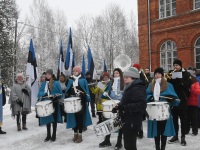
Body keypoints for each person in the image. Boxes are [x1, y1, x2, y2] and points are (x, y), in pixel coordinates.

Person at [112, 67, 146, 150]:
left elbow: (141, 105)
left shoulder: (137, 88)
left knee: (130, 146)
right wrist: (118, 107)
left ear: (133, 78)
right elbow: (125, 101)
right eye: (124, 77)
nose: (124, 79)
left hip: (132, 121)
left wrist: (124, 107)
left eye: (126, 77)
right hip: (128, 120)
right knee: (128, 145)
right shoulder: (129, 87)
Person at [146, 67, 179, 150]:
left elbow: (174, 98)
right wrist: (150, 98)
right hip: (154, 111)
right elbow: (146, 95)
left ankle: (163, 147)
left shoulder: (168, 85)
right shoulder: (151, 85)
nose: (157, 76)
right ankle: (157, 147)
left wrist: (170, 98)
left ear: (162, 75)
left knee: (163, 130)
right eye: (155, 74)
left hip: (164, 111)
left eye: (159, 74)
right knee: (156, 131)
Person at [167, 59, 192, 146]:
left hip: (182, 99)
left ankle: (183, 136)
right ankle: (175, 136)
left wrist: (180, 80)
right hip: (173, 99)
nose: (175, 67)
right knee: (174, 119)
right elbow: (168, 84)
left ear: (181, 66)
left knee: (183, 119)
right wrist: (169, 79)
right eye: (174, 65)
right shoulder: (171, 73)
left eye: (177, 65)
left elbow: (188, 85)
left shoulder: (186, 74)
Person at [65, 66, 92, 143]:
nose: (74, 72)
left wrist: (83, 95)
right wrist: (67, 95)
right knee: (74, 119)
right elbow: (68, 91)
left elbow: (86, 91)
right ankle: (75, 134)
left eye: (76, 71)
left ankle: (80, 135)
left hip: (81, 102)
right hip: (72, 103)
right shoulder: (70, 81)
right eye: (73, 71)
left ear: (79, 72)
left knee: (80, 119)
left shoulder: (83, 81)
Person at [38, 69, 63, 142]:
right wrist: (43, 94)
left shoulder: (56, 83)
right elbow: (39, 93)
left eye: (48, 74)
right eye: (46, 74)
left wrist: (55, 96)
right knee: (47, 119)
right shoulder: (43, 84)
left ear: (51, 75)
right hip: (46, 103)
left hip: (54, 103)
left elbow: (60, 93)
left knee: (54, 119)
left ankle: (54, 134)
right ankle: (48, 134)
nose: (47, 75)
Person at [110, 68, 124, 150]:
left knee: (119, 123)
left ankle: (119, 141)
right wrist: (100, 84)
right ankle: (107, 139)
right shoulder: (111, 82)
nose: (115, 74)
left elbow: (124, 94)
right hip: (111, 104)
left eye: (117, 73)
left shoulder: (123, 83)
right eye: (114, 73)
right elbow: (104, 91)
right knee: (109, 122)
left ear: (120, 74)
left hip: (120, 104)